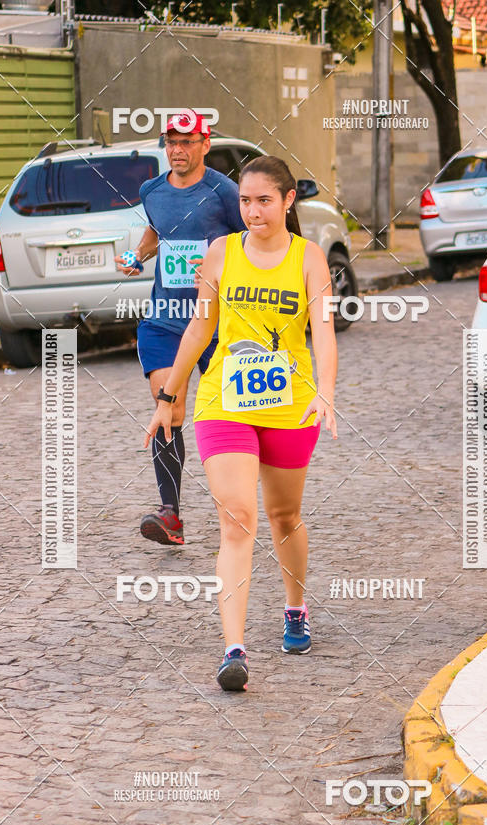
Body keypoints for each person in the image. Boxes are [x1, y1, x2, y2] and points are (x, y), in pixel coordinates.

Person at [144, 155, 338, 691]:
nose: (253, 211)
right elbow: (199, 329)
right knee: (237, 519)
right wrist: (168, 395)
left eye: (264, 201)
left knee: (284, 514)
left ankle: (295, 608)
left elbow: (323, 331)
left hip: (289, 405)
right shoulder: (222, 253)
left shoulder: (309, 258)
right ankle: (234, 651)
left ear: (288, 200)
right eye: (246, 201)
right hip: (224, 402)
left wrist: (326, 390)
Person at [116, 110, 244, 546]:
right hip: (166, 319)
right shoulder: (151, 190)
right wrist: (137, 256)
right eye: (171, 141)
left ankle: (239, 505)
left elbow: (250, 242)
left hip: (218, 322)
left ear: (205, 144)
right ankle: (170, 514)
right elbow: (155, 232)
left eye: (187, 141)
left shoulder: (225, 192)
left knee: (230, 416)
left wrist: (218, 267)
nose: (177, 149)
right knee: (167, 410)